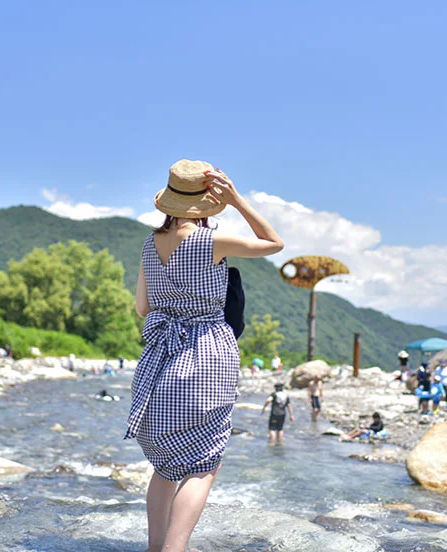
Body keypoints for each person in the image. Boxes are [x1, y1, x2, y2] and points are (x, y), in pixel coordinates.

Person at [126, 160, 283, 552]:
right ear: (208, 202)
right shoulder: (212, 243)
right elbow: (274, 243)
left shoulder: (149, 244)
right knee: (203, 465)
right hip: (207, 357)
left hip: (160, 360)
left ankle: (155, 548)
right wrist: (238, 201)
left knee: (164, 468)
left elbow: (143, 307)